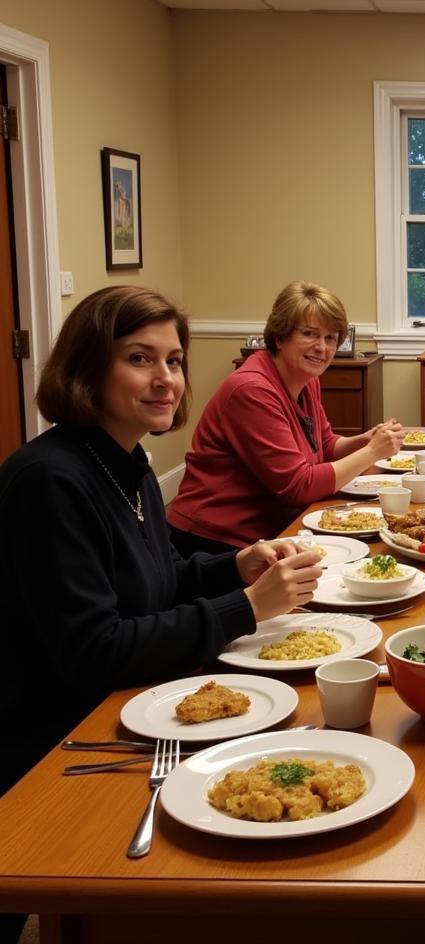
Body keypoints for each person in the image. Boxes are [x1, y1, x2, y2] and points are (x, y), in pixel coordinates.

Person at [0, 286, 323, 798]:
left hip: (139, 704)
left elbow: (163, 580)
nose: (165, 380)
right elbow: (94, 653)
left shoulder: (127, 462)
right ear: (86, 368)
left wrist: (237, 566)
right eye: (138, 359)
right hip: (61, 745)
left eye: (174, 361)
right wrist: (245, 608)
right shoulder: (48, 480)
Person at [168, 282, 405, 553]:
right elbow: (299, 486)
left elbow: (324, 446)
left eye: (330, 338)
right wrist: (372, 453)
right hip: (216, 542)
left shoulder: (306, 380)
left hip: (272, 530)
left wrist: (365, 440)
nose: (322, 348)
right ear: (279, 337)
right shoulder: (252, 390)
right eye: (309, 334)